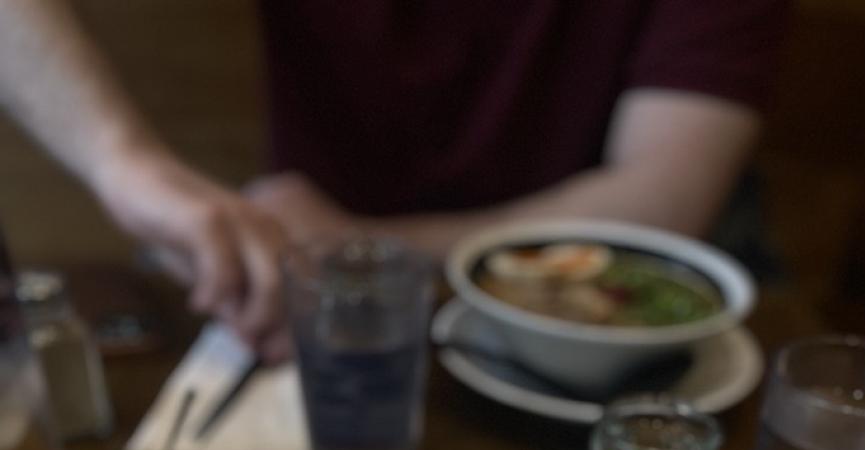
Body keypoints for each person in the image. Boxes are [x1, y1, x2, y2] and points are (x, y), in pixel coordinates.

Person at [0, 0, 788, 360]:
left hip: (608, 340)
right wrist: (123, 162)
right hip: (318, 321)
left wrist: (363, 248)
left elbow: (664, 195)